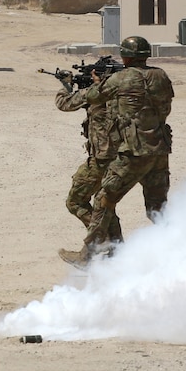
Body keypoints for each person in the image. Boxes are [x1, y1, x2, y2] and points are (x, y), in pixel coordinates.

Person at [58, 36, 174, 269]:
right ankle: (181, 249)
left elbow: (84, 98)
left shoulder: (120, 80)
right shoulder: (160, 75)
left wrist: (87, 85)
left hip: (133, 153)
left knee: (103, 200)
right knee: (157, 210)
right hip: (159, 150)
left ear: (126, 57)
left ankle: (87, 255)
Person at [54, 70, 124, 249]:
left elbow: (64, 103)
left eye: (94, 74)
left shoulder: (96, 92)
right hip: (123, 158)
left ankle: (103, 241)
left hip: (102, 159)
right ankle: (117, 248)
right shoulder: (126, 92)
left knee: (75, 201)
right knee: (105, 204)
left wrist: (66, 86)